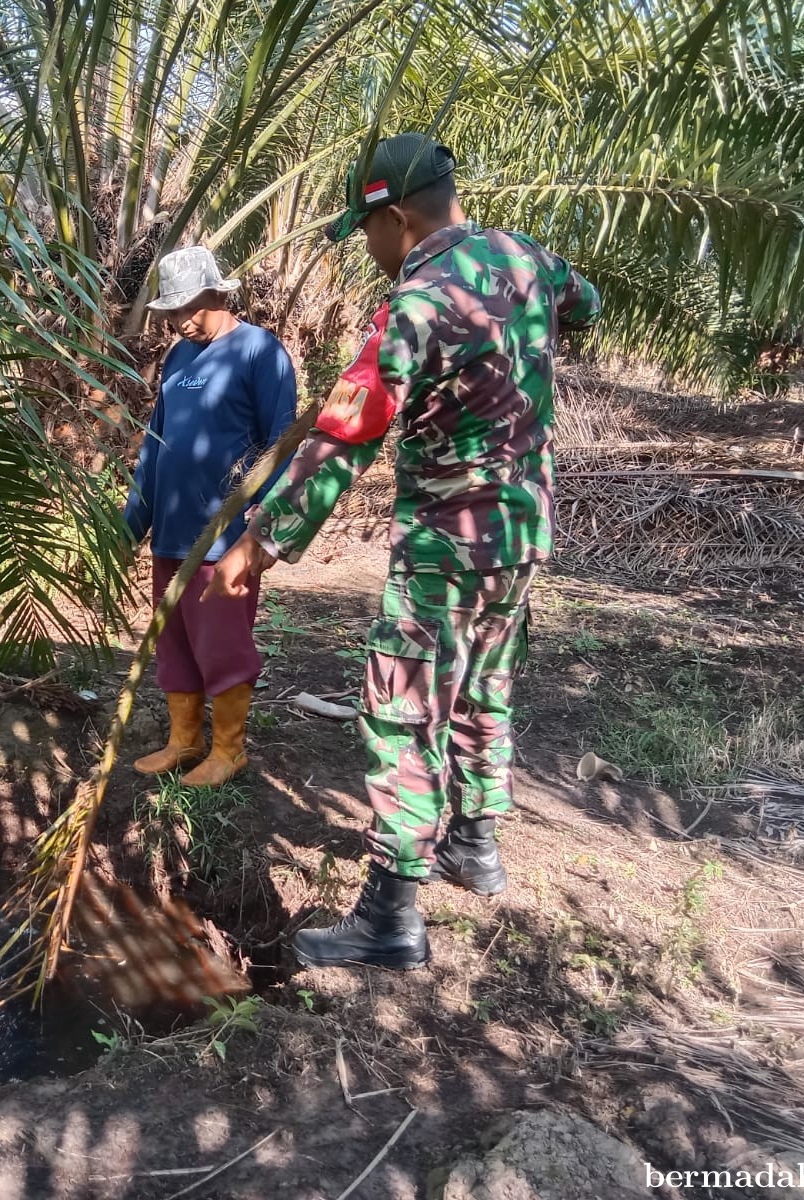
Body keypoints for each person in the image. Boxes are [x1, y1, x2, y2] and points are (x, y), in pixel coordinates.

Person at [205, 132, 601, 970]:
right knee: (485, 683)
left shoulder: (414, 305)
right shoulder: (526, 258)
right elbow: (586, 299)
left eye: (369, 231)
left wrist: (260, 541)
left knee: (406, 704)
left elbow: (346, 433)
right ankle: (475, 843)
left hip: (447, 542)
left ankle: (390, 914)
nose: (371, 250)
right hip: (523, 534)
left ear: (394, 216)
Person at [123, 245, 299, 788]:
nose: (179, 321)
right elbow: (155, 446)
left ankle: (228, 750)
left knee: (221, 641)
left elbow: (284, 444)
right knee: (173, 638)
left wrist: (259, 526)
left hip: (224, 539)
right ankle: (184, 740)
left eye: (188, 307)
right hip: (172, 532)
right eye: (171, 312)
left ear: (220, 294)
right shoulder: (177, 359)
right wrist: (133, 518)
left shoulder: (258, 352)